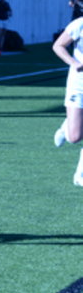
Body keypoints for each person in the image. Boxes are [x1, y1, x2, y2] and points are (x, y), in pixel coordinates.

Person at [52, 18, 83, 186]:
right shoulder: (79, 24)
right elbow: (58, 45)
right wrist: (74, 63)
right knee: (75, 137)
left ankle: (80, 175)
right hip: (79, 84)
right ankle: (67, 126)